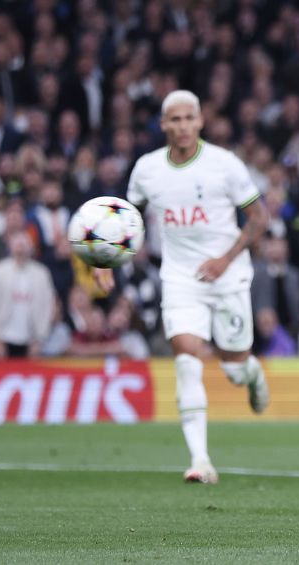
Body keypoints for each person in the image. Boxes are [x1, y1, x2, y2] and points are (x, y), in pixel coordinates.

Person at [95, 90, 270, 484]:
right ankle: (200, 460)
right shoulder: (147, 169)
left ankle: (252, 374)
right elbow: (126, 221)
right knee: (187, 361)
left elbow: (260, 218)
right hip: (179, 278)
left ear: (201, 121)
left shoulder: (225, 165)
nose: (183, 126)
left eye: (189, 118)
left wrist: (225, 259)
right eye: (175, 120)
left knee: (234, 369)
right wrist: (104, 262)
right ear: (163, 125)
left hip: (229, 277)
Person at [0, 230, 57, 358]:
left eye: (24, 245)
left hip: (31, 340)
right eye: (17, 245)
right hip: (3, 339)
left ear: (30, 248)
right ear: (10, 247)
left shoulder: (42, 273)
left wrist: (40, 338)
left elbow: (48, 307)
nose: (20, 250)